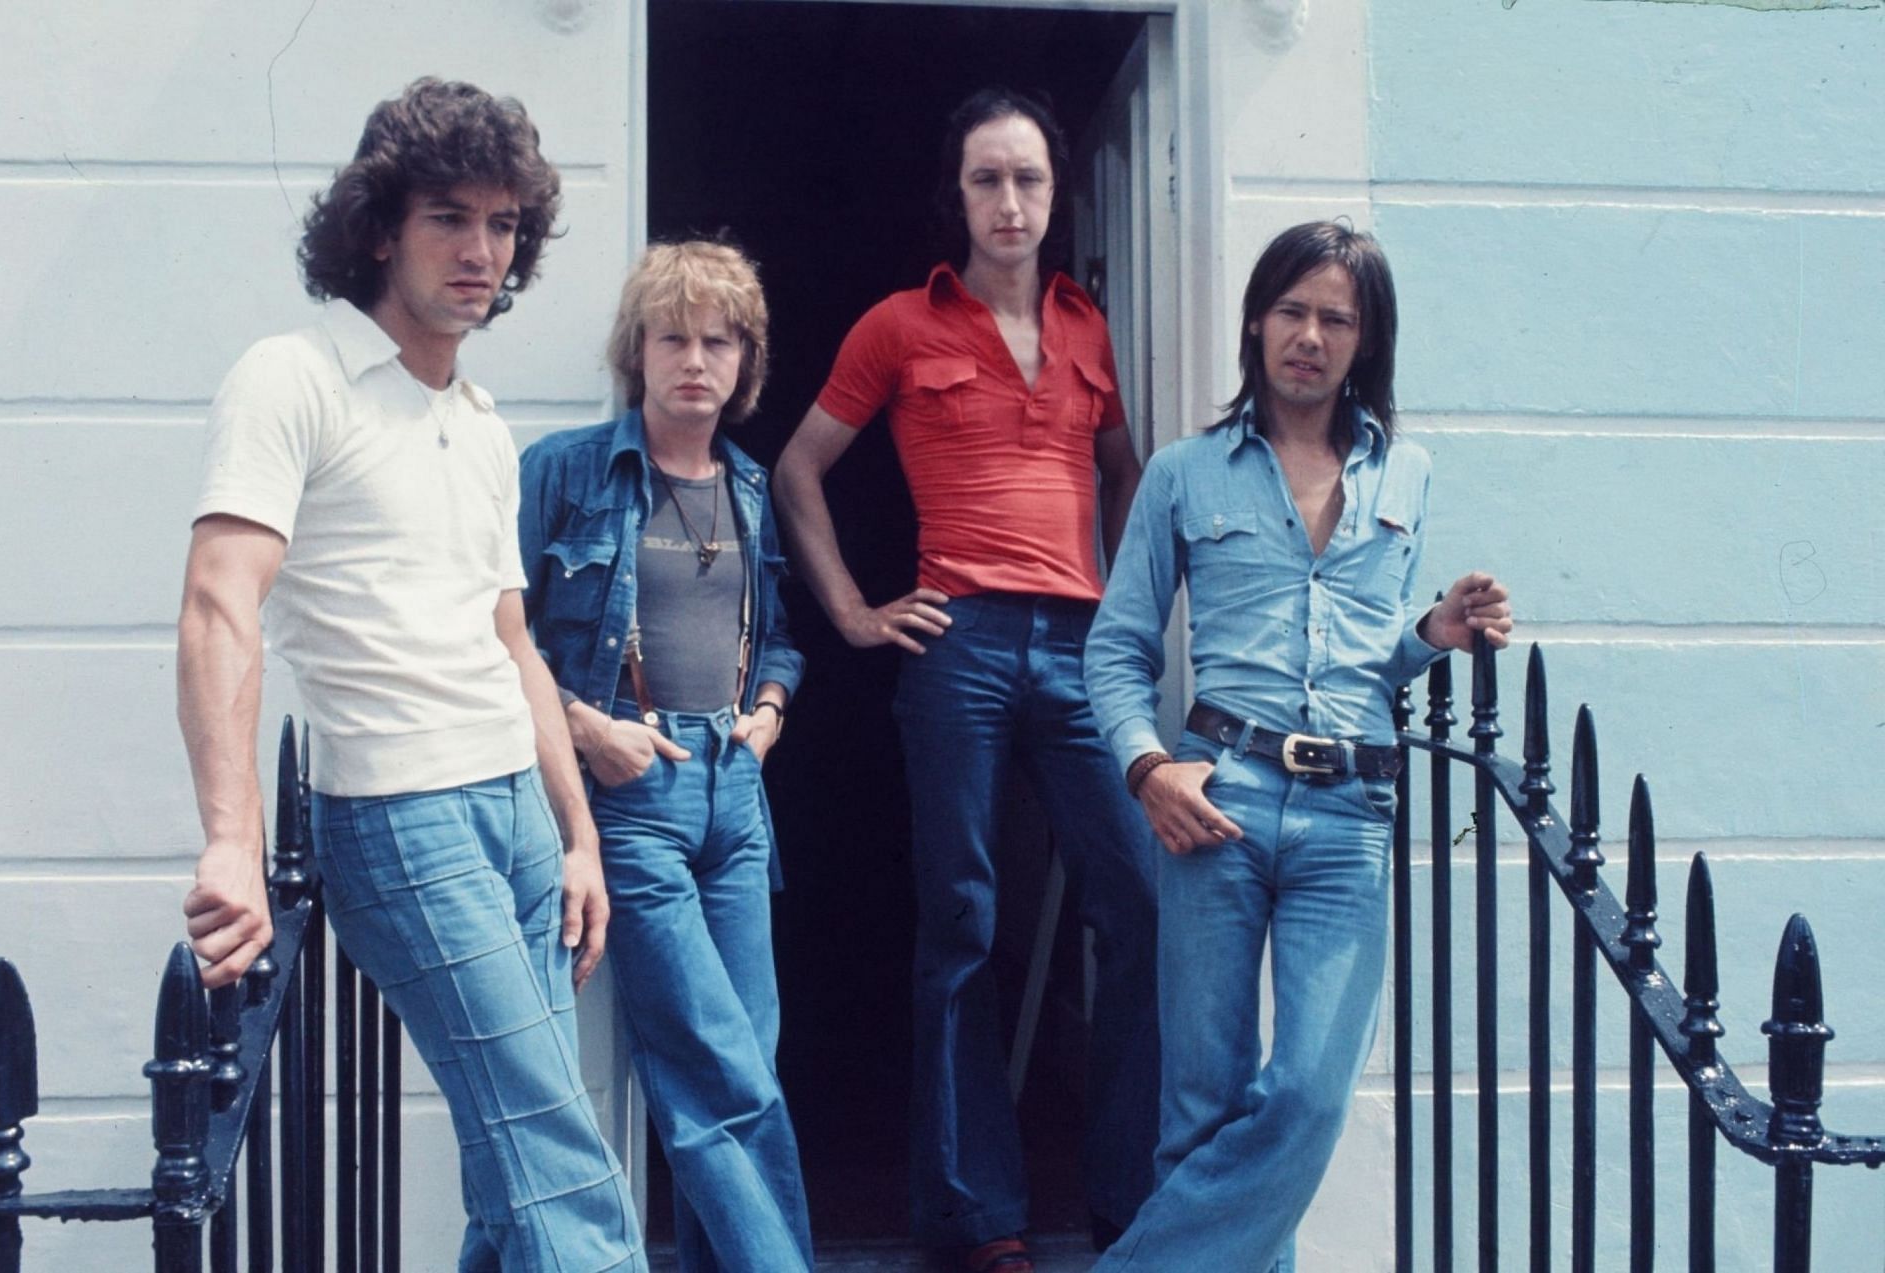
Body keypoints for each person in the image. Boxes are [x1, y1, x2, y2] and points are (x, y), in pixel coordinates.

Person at [176, 79, 643, 1272]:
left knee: (515, 1164)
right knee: (562, 1157)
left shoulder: (480, 423)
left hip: (514, 812)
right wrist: (231, 841)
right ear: (382, 226)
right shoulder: (294, 377)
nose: (481, 251)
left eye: (501, 225)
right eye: (450, 217)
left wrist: (577, 833)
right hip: (400, 813)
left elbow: (513, 643)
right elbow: (221, 604)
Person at [775, 87, 1160, 1272]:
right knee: (964, 921)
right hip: (961, 650)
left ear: (1054, 196)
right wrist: (851, 610)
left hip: (1080, 646)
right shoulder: (900, 323)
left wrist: (1129, 620)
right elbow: (798, 466)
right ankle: (974, 1214)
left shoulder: (1090, 326)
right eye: (988, 179)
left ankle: (1126, 1196)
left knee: (1141, 902)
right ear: (960, 195)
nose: (1010, 201)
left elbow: (1127, 476)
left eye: (1029, 180)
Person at [1084, 221, 1514, 1269]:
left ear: (1366, 340)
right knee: (1202, 1110)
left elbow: (1370, 660)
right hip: (1216, 801)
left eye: (1336, 317)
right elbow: (1116, 648)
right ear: (1256, 323)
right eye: (1293, 311)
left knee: (1310, 1093)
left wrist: (1432, 636)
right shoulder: (1187, 473)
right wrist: (1148, 766)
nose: (1310, 336)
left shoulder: (1404, 475)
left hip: (1348, 815)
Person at [517, 240, 813, 1273]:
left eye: (718, 340)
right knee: (708, 1069)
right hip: (631, 795)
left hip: (735, 794)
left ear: (744, 361)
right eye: (673, 336)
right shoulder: (565, 470)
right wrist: (587, 728)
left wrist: (771, 708)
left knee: (750, 1066)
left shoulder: (749, 483)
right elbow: (490, 634)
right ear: (636, 351)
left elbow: (777, 634)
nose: (696, 358)